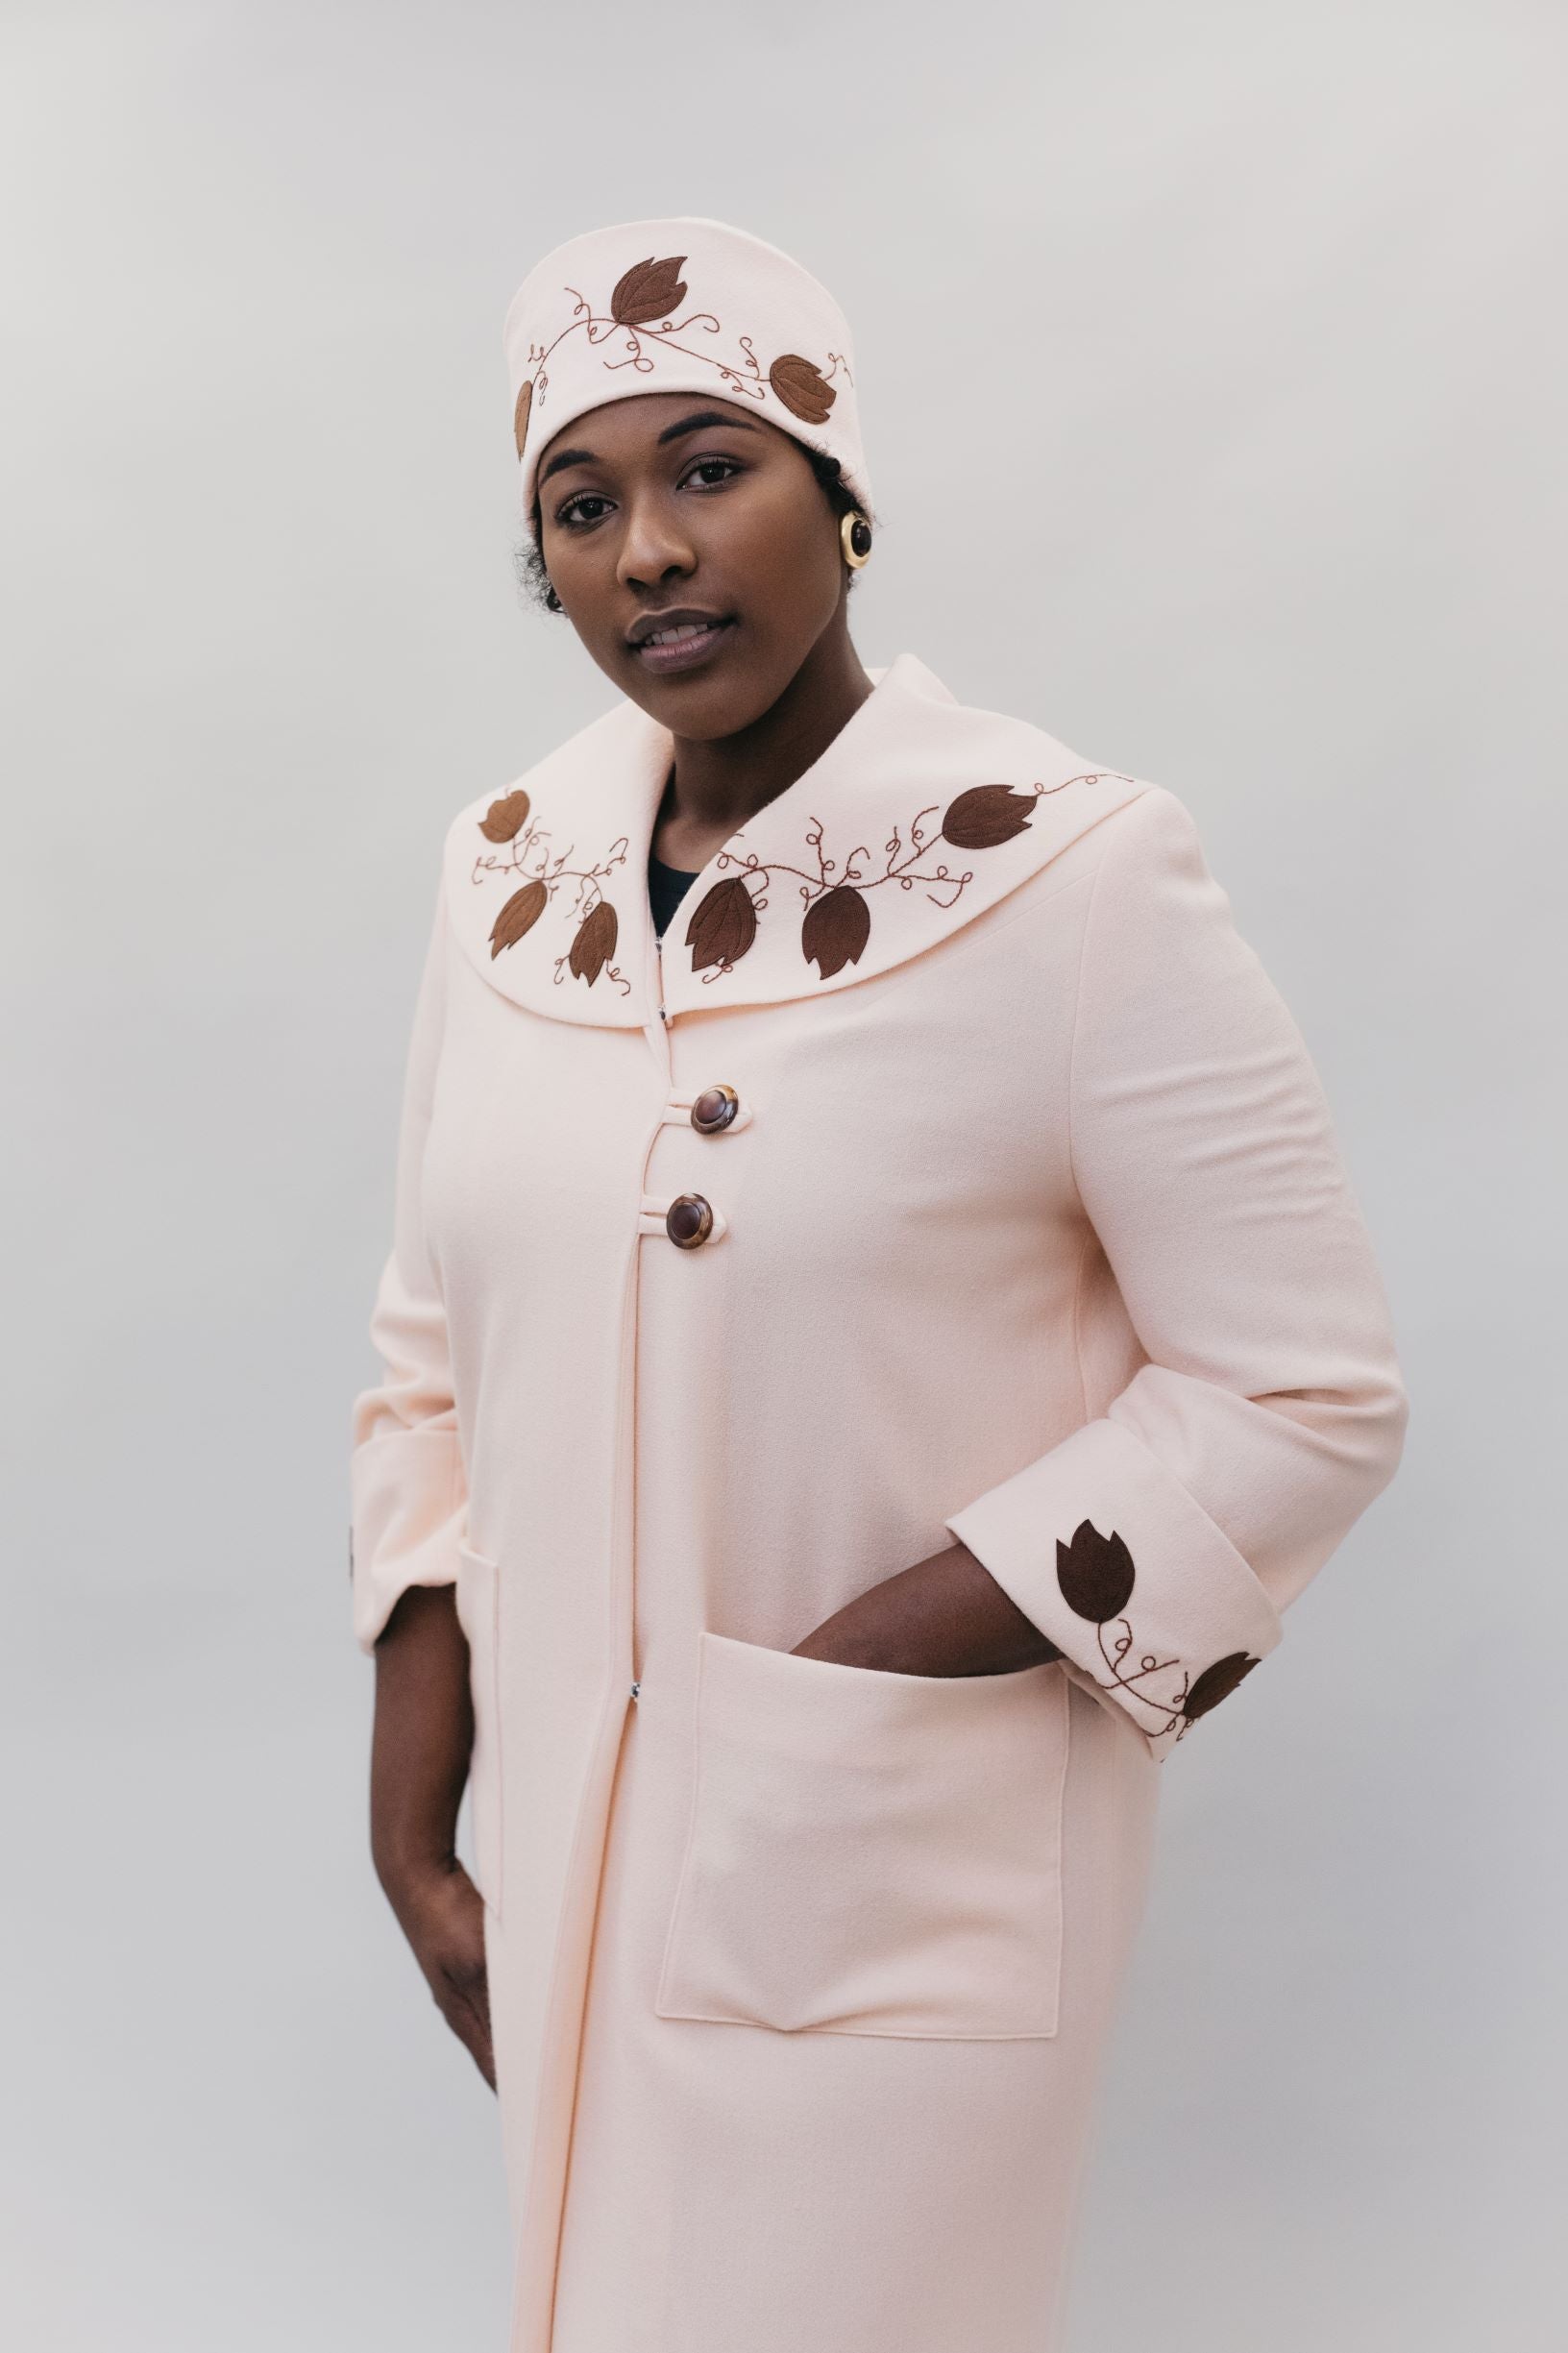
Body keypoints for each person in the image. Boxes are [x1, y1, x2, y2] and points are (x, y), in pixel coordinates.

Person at [349, 215, 1409, 2353]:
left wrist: (852, 1675)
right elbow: (429, 1350)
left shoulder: (1068, 869)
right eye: (582, 505)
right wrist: (413, 1826)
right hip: (564, 1845)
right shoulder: (507, 879)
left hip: (883, 1861)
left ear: (840, 497)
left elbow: (1304, 1390)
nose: (649, 548)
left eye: (710, 467)